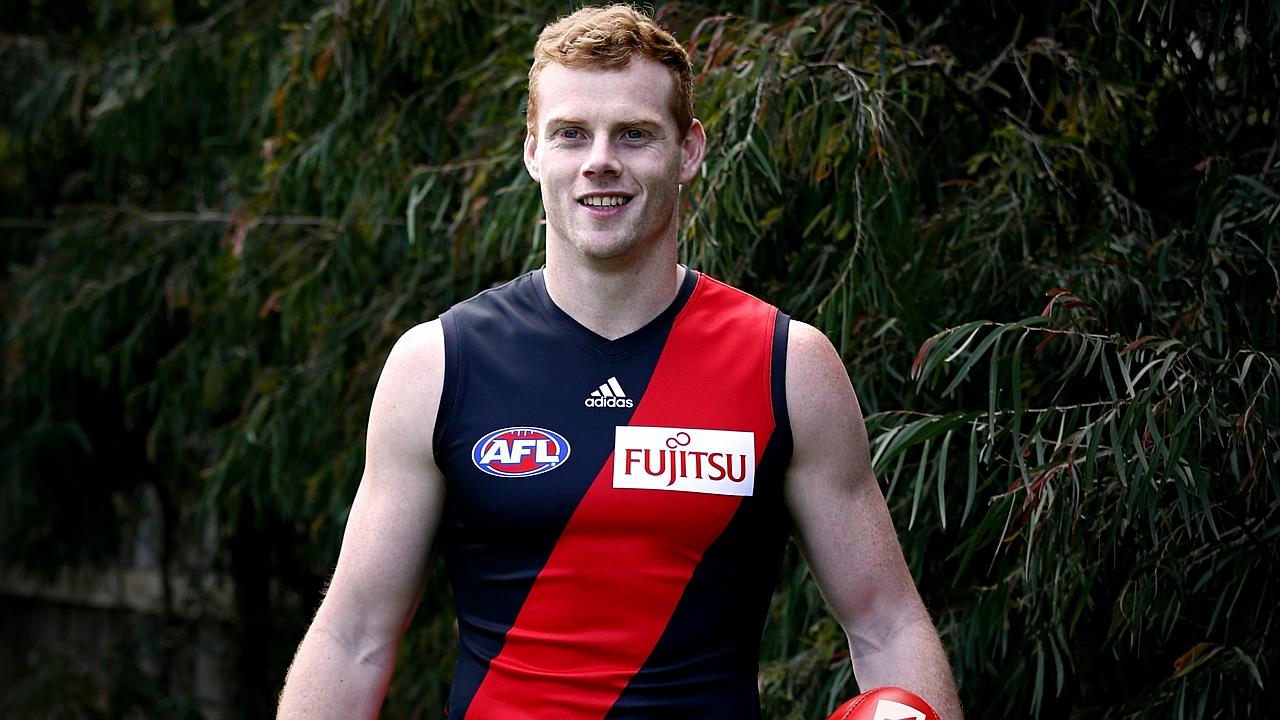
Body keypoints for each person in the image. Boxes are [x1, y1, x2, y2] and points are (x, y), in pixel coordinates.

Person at [276, 5, 963, 719]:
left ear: (689, 150)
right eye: (571, 133)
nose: (600, 160)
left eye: (634, 134)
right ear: (533, 152)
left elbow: (886, 624)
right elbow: (353, 635)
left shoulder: (787, 365)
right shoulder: (438, 365)